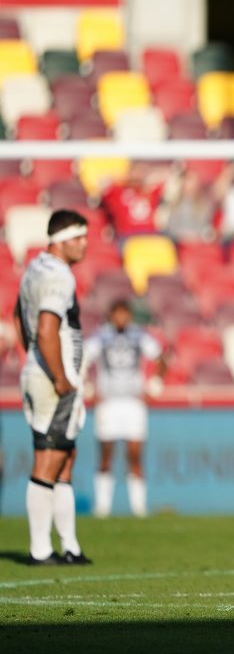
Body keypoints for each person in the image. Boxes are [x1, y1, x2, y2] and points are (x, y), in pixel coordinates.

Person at [13, 209, 92, 565]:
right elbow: (47, 328)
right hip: (53, 375)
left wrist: (29, 357)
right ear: (61, 240)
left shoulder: (34, 268)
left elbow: (18, 316)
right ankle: (41, 549)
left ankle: (70, 546)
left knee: (64, 458)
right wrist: (60, 377)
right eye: (79, 238)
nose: (85, 244)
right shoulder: (59, 276)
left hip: (39, 368)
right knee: (49, 459)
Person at [84, 298, 166, 518]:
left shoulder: (139, 335)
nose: (121, 318)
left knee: (135, 454)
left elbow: (161, 357)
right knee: (106, 454)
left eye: (124, 313)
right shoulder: (101, 336)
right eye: (117, 313)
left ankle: (139, 508)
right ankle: (102, 507)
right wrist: (88, 388)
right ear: (111, 315)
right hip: (109, 402)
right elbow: (82, 359)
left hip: (133, 402)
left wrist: (154, 385)